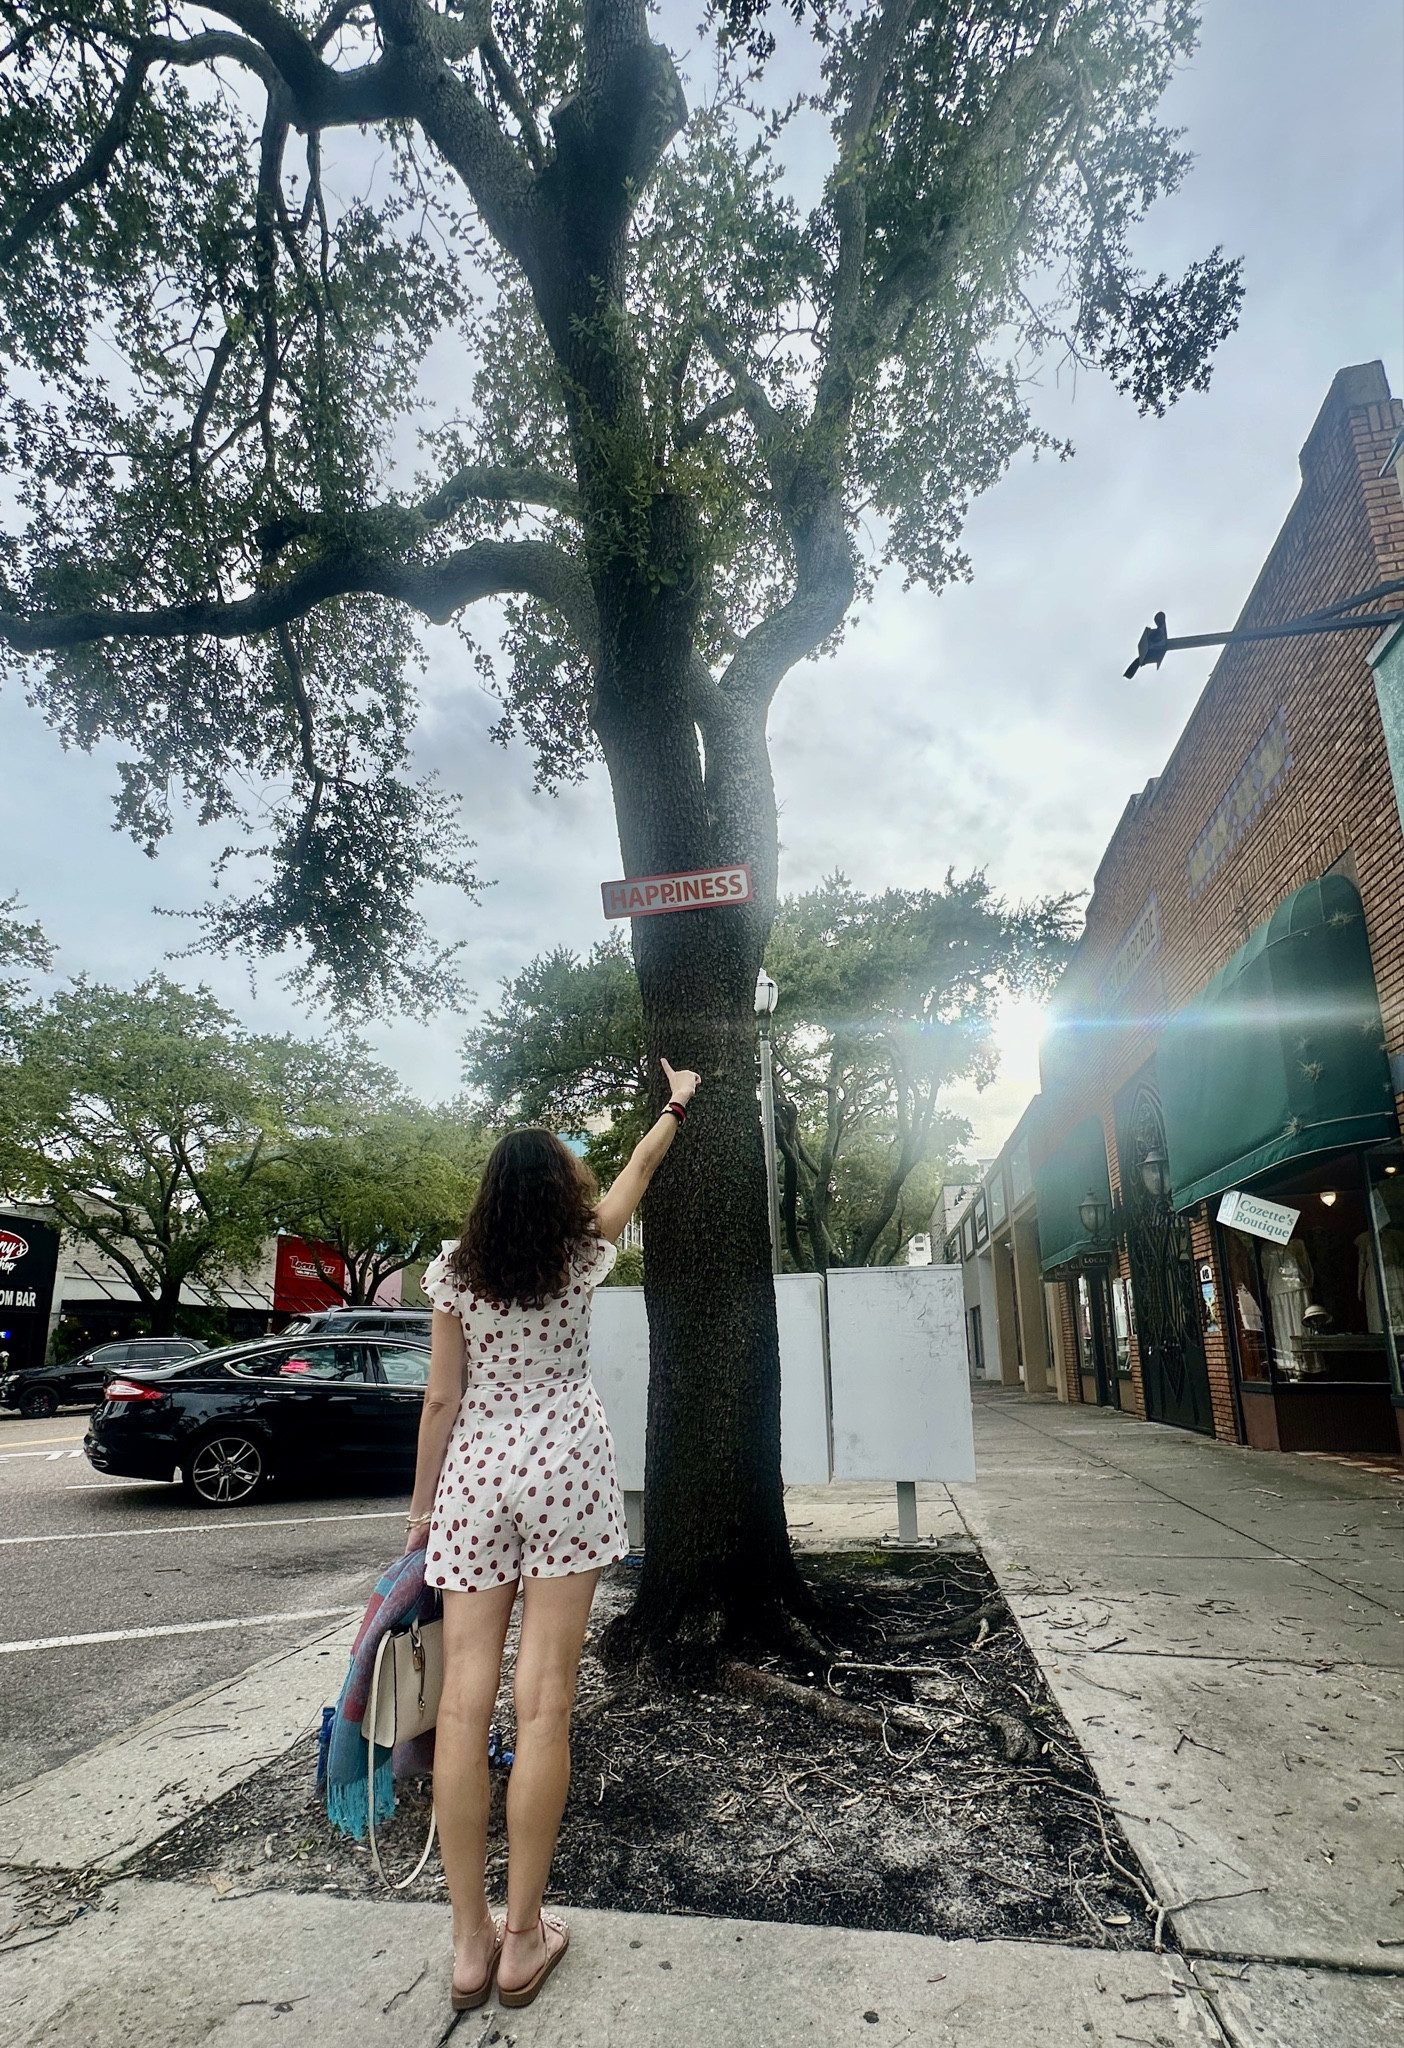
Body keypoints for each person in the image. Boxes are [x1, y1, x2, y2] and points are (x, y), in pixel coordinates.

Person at [402, 1058, 700, 2012]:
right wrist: (677, 1102)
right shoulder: (582, 1253)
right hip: (565, 1465)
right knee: (543, 1707)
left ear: (489, 1196)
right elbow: (639, 1172)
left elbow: (441, 1398)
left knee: (461, 1706)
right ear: (561, 1189)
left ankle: (467, 1944)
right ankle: (524, 1935)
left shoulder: (455, 1272)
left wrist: (420, 1511)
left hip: (476, 1474)